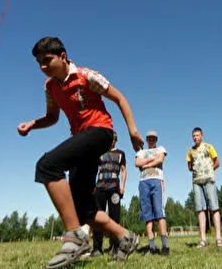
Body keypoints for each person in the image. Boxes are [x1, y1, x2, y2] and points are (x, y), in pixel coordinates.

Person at [17, 36, 144, 268]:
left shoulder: (86, 75)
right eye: (39, 64)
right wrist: (32, 124)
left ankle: (74, 236)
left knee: (47, 165)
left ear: (63, 56)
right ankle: (125, 237)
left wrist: (133, 131)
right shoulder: (50, 87)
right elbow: (52, 118)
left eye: (47, 61)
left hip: (101, 132)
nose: (42, 68)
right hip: (81, 139)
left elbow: (119, 98)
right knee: (82, 208)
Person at [91, 132, 127, 257]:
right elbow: (93, 169)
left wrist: (122, 186)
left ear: (116, 140)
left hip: (114, 189)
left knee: (114, 218)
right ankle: (96, 248)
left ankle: (115, 247)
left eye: (113, 139)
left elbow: (123, 170)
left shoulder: (121, 153)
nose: (111, 141)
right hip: (99, 187)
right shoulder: (99, 152)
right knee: (97, 218)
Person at [186, 127, 222, 248]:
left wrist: (209, 171)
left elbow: (217, 162)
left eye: (197, 135)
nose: (195, 137)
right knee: (200, 209)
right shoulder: (190, 151)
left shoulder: (208, 147)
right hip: (196, 182)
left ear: (202, 135)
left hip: (209, 180)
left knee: (214, 207)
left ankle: (218, 238)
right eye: (193, 136)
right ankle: (203, 239)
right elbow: (189, 166)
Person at [135, 130, 170, 255]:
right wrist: (149, 161)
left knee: (159, 213)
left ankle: (165, 246)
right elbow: (137, 163)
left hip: (156, 180)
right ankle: (152, 247)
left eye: (153, 138)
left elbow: (160, 160)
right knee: (147, 216)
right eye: (149, 138)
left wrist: (144, 164)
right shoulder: (141, 151)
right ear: (146, 139)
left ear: (156, 139)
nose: (151, 140)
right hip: (143, 182)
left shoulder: (160, 148)